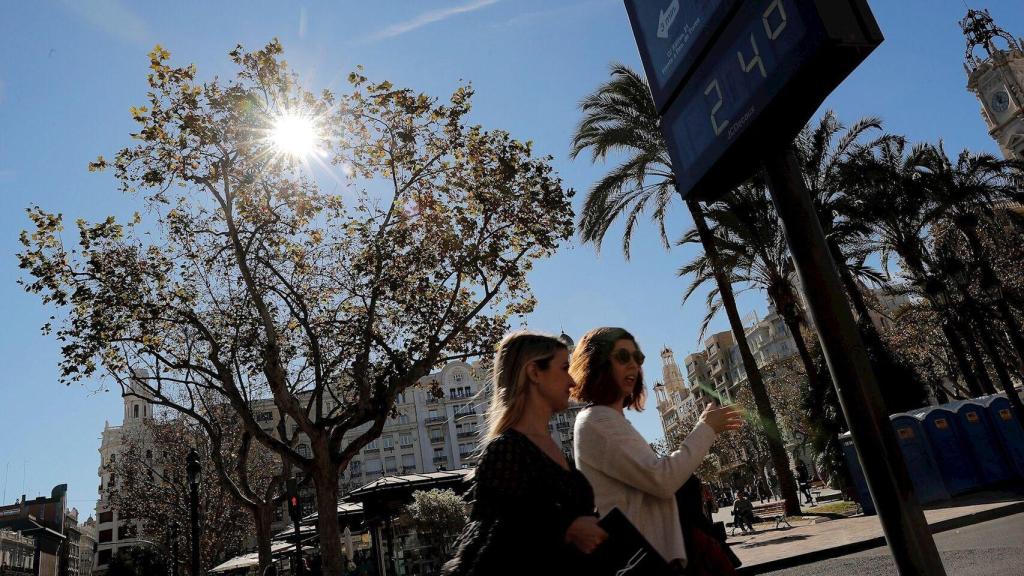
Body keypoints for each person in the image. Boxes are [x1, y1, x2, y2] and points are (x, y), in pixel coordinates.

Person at [571, 327, 743, 573]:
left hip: (658, 557)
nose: (633, 365)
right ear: (597, 363)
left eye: (637, 358)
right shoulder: (597, 420)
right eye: (622, 356)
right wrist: (706, 429)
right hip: (645, 560)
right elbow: (662, 479)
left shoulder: (609, 420)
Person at [442, 332, 608, 576]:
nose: (572, 382)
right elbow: (498, 542)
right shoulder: (505, 450)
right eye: (564, 368)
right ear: (534, 372)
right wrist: (566, 527)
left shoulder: (553, 449)